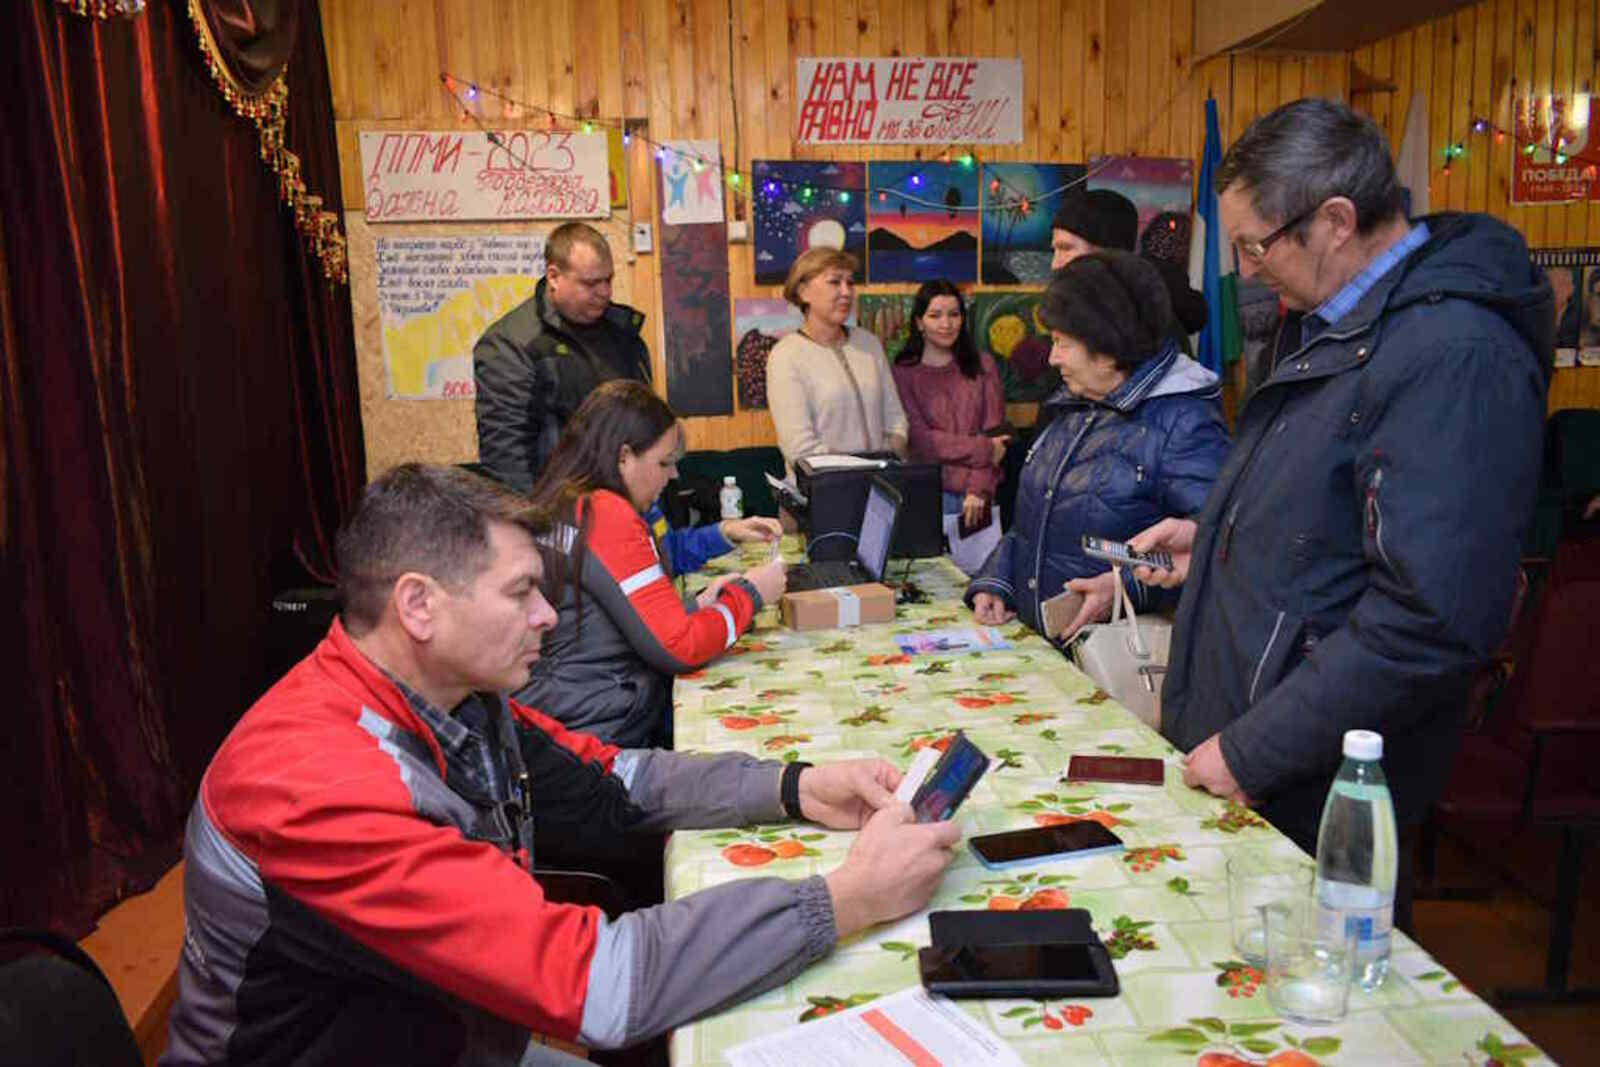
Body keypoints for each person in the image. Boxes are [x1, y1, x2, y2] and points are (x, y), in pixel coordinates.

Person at [161, 464, 960, 1067]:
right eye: (520, 594)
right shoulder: (316, 783)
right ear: (418, 605)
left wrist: (795, 785)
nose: (548, 615)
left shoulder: (455, 697)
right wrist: (845, 897)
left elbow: (621, 780)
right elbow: (600, 985)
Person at [1128, 99, 1550, 928]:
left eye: (1256, 245)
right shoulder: (1344, 321)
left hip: (1314, 780)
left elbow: (1427, 614)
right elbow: (1325, 513)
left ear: (1335, 221)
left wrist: (1254, 750)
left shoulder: (1450, 351)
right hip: (1261, 756)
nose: (1246, 271)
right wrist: (1214, 536)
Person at [964, 251, 1230, 638]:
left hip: (1111, 659)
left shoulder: (1185, 424)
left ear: (1106, 350)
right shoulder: (1073, 404)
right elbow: (1036, 519)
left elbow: (1217, 551)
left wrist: (1126, 589)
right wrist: (998, 579)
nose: (1052, 358)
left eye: (1062, 343)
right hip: (1045, 647)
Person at [515, 381, 786, 747]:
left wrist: (700, 604)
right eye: (664, 463)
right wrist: (751, 595)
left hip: (564, 715)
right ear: (624, 457)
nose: (673, 476)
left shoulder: (563, 501)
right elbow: (680, 647)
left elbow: (613, 622)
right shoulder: (606, 513)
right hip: (601, 733)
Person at [475, 222, 652, 492]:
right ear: (554, 276)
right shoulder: (511, 344)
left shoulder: (622, 332)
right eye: (591, 283)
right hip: (560, 513)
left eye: (608, 280)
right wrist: (533, 526)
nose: (604, 292)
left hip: (625, 505)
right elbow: (506, 457)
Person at [766, 248, 908, 474]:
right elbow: (799, 448)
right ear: (804, 292)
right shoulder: (786, 356)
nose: (846, 292)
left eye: (850, 283)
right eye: (834, 282)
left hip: (879, 489)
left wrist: (886, 459)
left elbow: (896, 419)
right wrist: (858, 472)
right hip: (823, 495)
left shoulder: (868, 343)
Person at [891, 280, 1007, 532]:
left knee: (979, 570)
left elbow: (997, 433)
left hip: (977, 496)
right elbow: (920, 441)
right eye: (935, 315)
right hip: (926, 495)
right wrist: (985, 449)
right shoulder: (903, 373)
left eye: (954, 314)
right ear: (919, 322)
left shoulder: (983, 365)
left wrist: (978, 489)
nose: (946, 324)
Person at [1050, 188, 1208, 337]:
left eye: (1066, 248)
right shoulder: (1085, 309)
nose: (1055, 264)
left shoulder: (1143, 328)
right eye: (1054, 250)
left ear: (1108, 251)